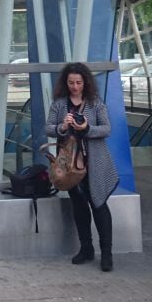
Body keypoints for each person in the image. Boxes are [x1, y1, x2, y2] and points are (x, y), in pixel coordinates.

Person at [46, 63, 119, 272]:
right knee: (79, 206)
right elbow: (48, 127)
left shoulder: (95, 103)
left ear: (85, 82)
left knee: (99, 204)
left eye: (78, 82)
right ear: (65, 83)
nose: (75, 86)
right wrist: (63, 126)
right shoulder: (60, 104)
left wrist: (86, 128)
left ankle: (107, 254)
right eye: (71, 83)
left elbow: (107, 128)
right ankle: (86, 249)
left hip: (94, 162)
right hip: (70, 165)